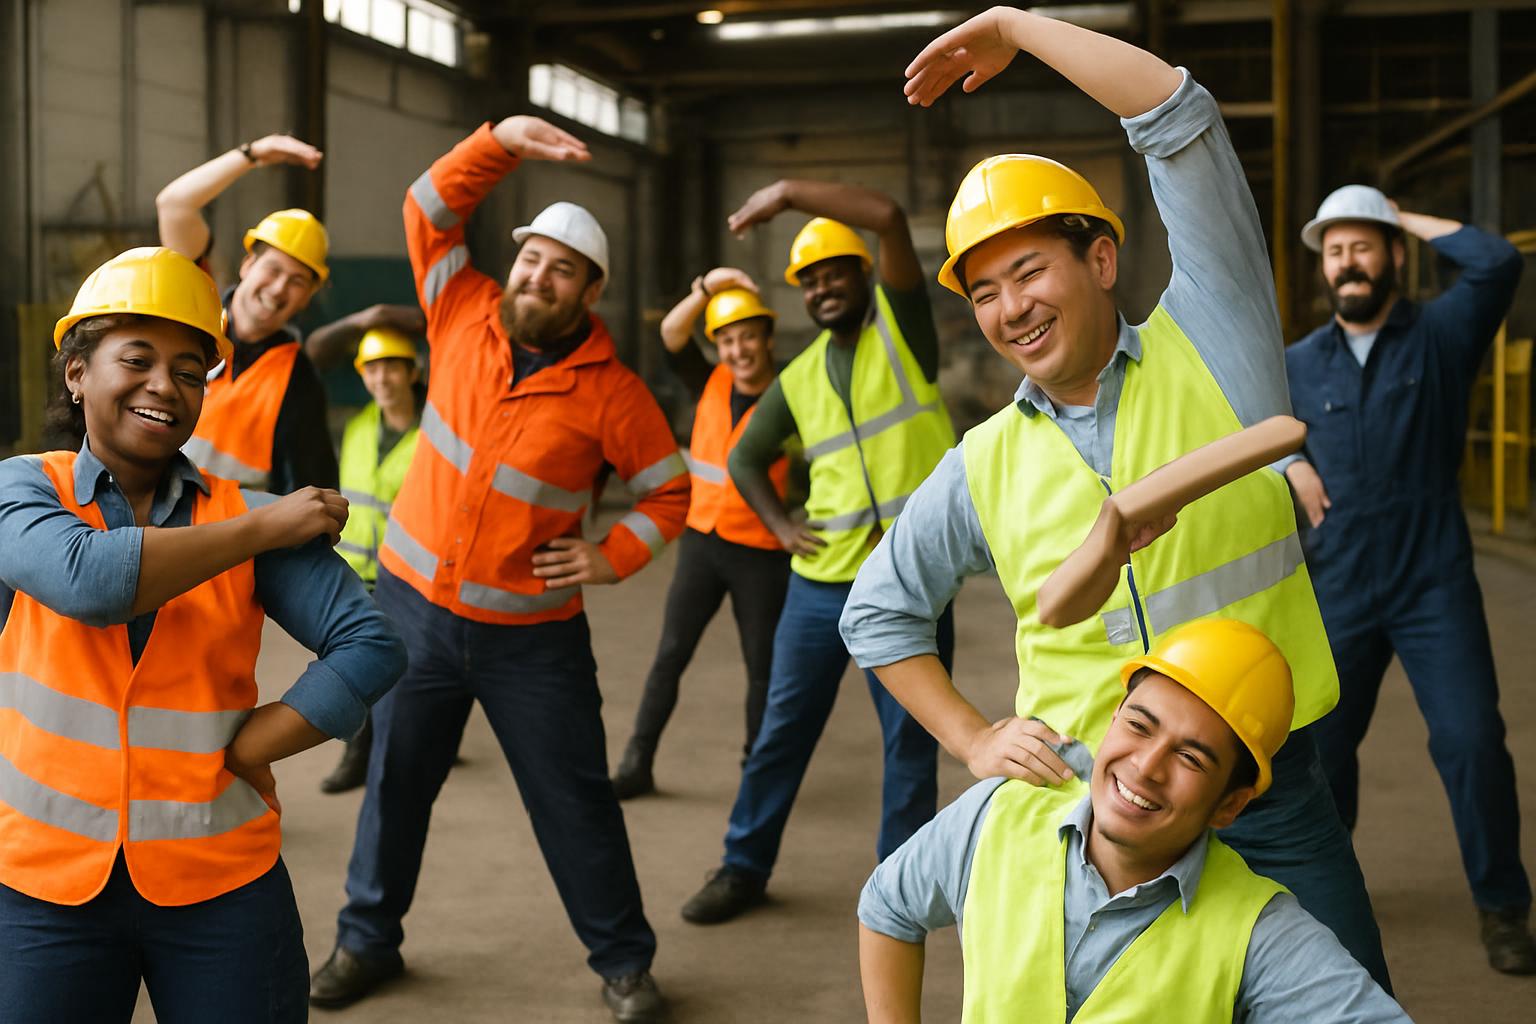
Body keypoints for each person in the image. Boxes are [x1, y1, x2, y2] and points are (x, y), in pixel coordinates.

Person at [839, 5, 1393, 989]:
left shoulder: (1214, 341)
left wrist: (1019, 23)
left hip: (1264, 789)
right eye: (985, 292)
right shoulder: (983, 462)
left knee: (1339, 994)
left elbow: (1180, 119)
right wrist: (972, 736)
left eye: (1029, 270)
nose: (1011, 309)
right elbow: (879, 612)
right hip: (1091, 811)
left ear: (1099, 258)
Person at [308, 115, 688, 1024]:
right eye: (531, 259)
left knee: (576, 803)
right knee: (394, 786)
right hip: (413, 615)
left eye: (562, 269)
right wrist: (502, 141)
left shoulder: (614, 394)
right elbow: (427, 204)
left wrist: (610, 555)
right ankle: (366, 942)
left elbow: (670, 493)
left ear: (589, 290)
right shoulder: (460, 308)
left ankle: (625, 963)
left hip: (533, 642)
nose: (536, 276)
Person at [0, 247, 404, 1023]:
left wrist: (254, 747)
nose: (166, 385)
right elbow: (88, 582)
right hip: (44, 884)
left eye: (191, 371)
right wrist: (261, 528)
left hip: (219, 881)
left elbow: (371, 642)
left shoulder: (240, 512)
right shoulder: (25, 489)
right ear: (77, 373)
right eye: (138, 358)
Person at [857, 619, 1411, 1023]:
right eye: (1140, 726)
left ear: (1230, 804)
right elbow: (887, 907)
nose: (1146, 768)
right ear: (1114, 718)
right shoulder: (998, 815)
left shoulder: (1258, 932)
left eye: (1191, 758)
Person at [680, 185, 956, 925]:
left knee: (909, 739)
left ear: (863, 276)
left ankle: (900, 884)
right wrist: (778, 526)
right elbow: (742, 460)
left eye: (835, 272)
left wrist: (787, 196)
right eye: (809, 280)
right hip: (821, 585)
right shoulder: (797, 378)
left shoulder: (905, 332)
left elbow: (893, 213)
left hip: (911, 581)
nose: (822, 288)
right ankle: (743, 865)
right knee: (781, 731)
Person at [1283, 185, 1533, 974]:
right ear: (1321, 268)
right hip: (1340, 584)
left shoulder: (1442, 336)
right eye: (1334, 250)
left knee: (1471, 740)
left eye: (1362, 246)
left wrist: (1400, 214)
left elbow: (1497, 263)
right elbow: (1246, 426)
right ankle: (1331, 896)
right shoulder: (1295, 363)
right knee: (1323, 749)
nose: (1347, 263)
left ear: (1393, 255)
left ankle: (1502, 907)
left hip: (1432, 583)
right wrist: (1288, 461)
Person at [611, 269, 792, 799]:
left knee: (762, 669)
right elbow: (670, 333)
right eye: (727, 340)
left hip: (760, 552)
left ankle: (755, 774)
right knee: (670, 654)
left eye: (747, 337)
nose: (738, 350)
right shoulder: (708, 380)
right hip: (702, 543)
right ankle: (637, 762)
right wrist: (704, 290)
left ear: (767, 338)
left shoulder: (792, 394)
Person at [156, 134, 339, 493]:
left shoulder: (297, 378)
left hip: (231, 543)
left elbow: (307, 492)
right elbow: (174, 204)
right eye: (272, 269)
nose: (277, 289)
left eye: (297, 281)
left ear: (307, 297)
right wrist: (253, 154)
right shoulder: (195, 317)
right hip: (148, 526)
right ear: (247, 265)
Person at [318, 328, 426, 794]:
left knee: (416, 670)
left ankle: (426, 738)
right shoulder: (359, 426)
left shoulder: (433, 437)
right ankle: (357, 754)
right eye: (372, 369)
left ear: (411, 373)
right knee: (357, 667)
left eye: (391, 367)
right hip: (354, 571)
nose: (381, 378)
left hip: (410, 574)